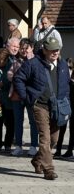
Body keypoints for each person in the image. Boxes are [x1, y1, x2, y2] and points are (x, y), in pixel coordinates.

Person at [14, 37, 70, 180]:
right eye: (52, 50)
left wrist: (66, 101)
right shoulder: (33, 63)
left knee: (54, 139)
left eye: (57, 50)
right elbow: (18, 78)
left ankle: (37, 160)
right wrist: (26, 97)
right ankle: (48, 169)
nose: (55, 52)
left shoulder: (63, 64)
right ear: (44, 50)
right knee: (45, 138)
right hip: (40, 105)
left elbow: (66, 85)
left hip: (57, 107)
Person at [7, 39, 38, 156]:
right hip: (17, 95)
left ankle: (33, 146)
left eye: (26, 48)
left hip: (30, 95)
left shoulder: (36, 61)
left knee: (33, 121)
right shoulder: (17, 61)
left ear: (32, 48)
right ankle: (18, 146)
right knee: (18, 121)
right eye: (22, 48)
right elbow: (9, 75)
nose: (24, 51)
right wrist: (17, 77)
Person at [54, 58, 74, 158]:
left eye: (70, 68)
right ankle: (58, 150)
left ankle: (69, 151)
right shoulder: (63, 75)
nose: (68, 70)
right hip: (65, 104)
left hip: (71, 105)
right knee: (62, 127)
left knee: (72, 129)